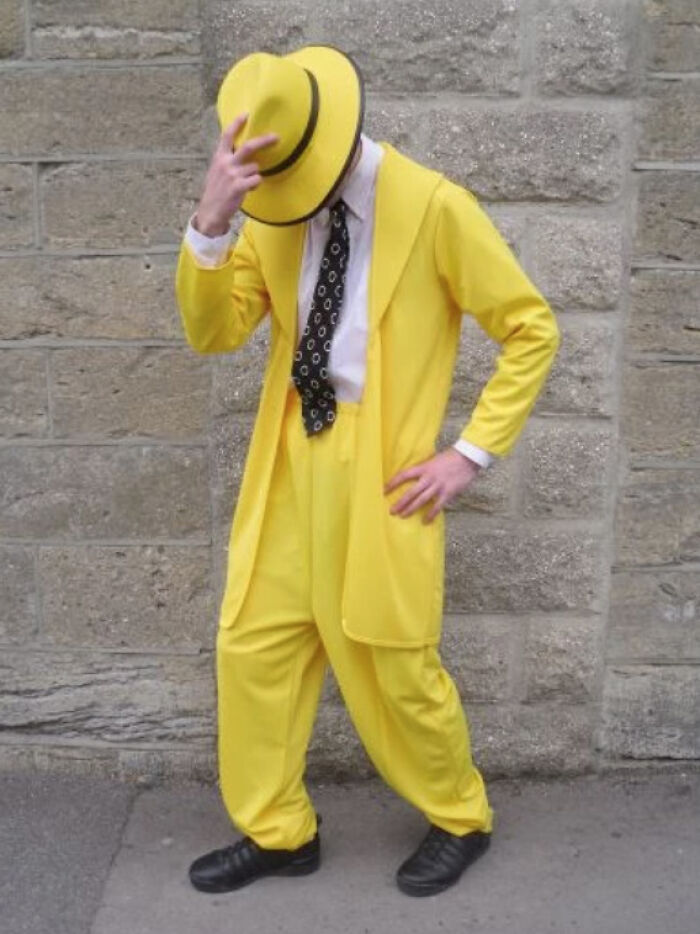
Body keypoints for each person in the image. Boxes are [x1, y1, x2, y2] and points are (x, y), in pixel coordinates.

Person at [174, 43, 560, 898]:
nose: (286, 201)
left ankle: (460, 814)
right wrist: (211, 226)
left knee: (391, 657)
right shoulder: (268, 210)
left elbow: (529, 327)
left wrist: (469, 454)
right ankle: (278, 832)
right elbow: (218, 331)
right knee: (254, 646)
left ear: (337, 135)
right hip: (287, 457)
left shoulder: (433, 207)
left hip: (381, 463)